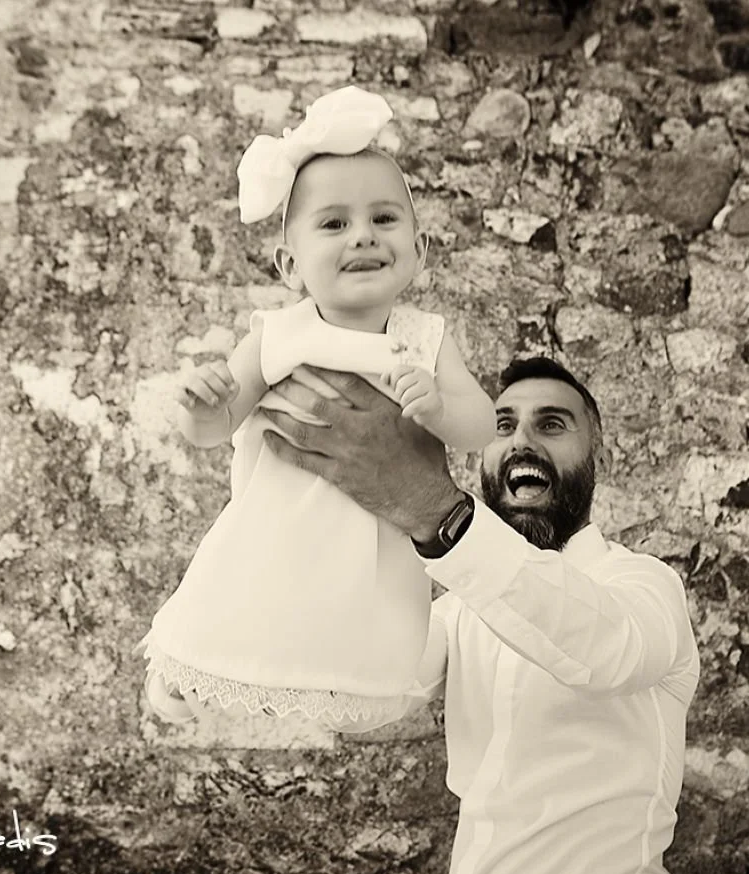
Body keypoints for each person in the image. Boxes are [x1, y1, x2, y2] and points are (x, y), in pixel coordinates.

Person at [260, 356, 700, 874]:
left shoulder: (645, 586)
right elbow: (356, 693)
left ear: (598, 455)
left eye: (552, 424)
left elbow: (609, 653)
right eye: (503, 425)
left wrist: (430, 507)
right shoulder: (458, 611)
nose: (522, 442)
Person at [137, 85, 496, 733]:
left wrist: (440, 407)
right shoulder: (276, 335)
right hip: (277, 533)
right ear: (289, 265)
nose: (362, 236)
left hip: (375, 549)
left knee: (360, 635)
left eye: (385, 219)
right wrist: (204, 405)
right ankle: (207, 669)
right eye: (334, 224)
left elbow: (481, 426)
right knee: (249, 613)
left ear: (420, 252)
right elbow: (214, 430)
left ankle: (346, 689)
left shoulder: (423, 338)